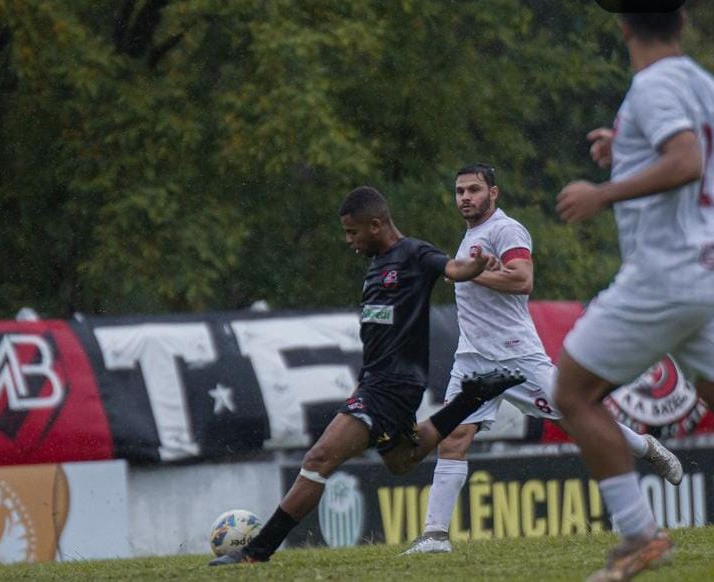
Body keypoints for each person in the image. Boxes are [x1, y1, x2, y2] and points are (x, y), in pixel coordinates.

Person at [209, 185, 527, 566]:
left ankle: (256, 551)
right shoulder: (376, 266)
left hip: (391, 385)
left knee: (318, 459)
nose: (349, 240)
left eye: (353, 232)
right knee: (402, 460)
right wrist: (361, 383)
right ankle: (469, 400)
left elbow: (453, 269)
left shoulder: (414, 254)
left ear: (376, 225)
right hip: (378, 382)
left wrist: (476, 266)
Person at [403, 164, 682, 555]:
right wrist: (469, 271)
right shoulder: (471, 237)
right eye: (460, 191)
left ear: (493, 193)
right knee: (453, 439)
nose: (465, 197)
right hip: (472, 359)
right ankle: (435, 536)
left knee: (578, 421)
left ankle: (645, 447)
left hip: (516, 357)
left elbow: (523, 280)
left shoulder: (506, 229)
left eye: (474, 189)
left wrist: (470, 274)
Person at [554, 10, 714, 581]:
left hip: (663, 276)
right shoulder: (701, 82)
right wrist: (626, 148)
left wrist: (604, 192)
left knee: (572, 392)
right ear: (682, 19)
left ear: (623, 26)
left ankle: (640, 536)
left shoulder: (652, 84)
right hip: (706, 270)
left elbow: (687, 161)